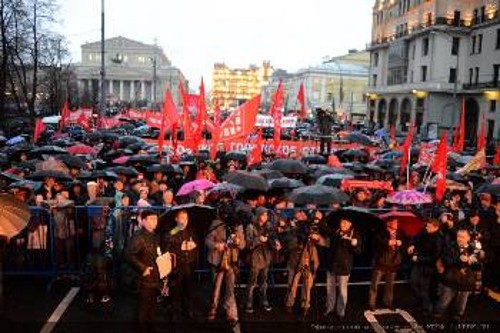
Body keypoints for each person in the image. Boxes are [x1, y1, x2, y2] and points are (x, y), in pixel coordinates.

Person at [205, 203, 246, 323]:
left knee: (230, 288)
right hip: (217, 260)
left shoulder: (238, 226)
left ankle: (230, 312)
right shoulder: (216, 224)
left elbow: (243, 245)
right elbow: (208, 240)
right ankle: (213, 309)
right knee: (216, 287)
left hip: (232, 260)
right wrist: (217, 245)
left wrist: (238, 242)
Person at [434, 229, 485, 321]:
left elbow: (479, 267)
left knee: (461, 303)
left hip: (467, 282)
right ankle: (438, 313)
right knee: (444, 301)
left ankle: (457, 316)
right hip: (451, 280)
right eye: (458, 236)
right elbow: (446, 260)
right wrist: (459, 259)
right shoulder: (450, 246)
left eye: (462, 237)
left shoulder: (475, 249)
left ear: (468, 238)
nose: (460, 239)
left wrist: (474, 261)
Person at [125, 210, 161, 330]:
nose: (154, 222)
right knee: (143, 307)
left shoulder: (155, 236)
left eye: (155, 219)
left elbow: (158, 253)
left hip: (155, 276)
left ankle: (150, 326)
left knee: (152, 305)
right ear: (144, 221)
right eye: (151, 219)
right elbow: (129, 255)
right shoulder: (138, 236)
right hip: (144, 278)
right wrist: (143, 268)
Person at [284, 209, 322, 318]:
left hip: (309, 259)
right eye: (298, 214)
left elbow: (322, 241)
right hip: (295, 260)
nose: (301, 215)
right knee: (292, 284)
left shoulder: (312, 226)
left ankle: (305, 305)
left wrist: (316, 237)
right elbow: (288, 243)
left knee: (307, 285)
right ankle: (289, 303)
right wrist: (297, 237)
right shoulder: (292, 226)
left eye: (303, 213)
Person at [163, 209, 198, 320]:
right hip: (176, 265)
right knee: (175, 289)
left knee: (189, 288)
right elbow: (167, 244)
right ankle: (173, 311)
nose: (184, 221)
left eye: (186, 218)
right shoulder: (174, 230)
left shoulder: (191, 230)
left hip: (189, 264)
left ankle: (188, 309)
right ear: (176, 219)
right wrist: (180, 247)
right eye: (182, 218)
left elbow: (196, 242)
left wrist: (194, 245)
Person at [245, 207, 281, 314]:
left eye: (266, 215)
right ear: (258, 215)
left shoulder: (269, 226)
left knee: (264, 281)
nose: (265, 217)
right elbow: (248, 244)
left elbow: (273, 237)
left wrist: (276, 243)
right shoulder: (251, 227)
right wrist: (258, 240)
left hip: (266, 257)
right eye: (263, 214)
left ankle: (263, 300)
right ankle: (249, 302)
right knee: (252, 282)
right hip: (255, 258)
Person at [323, 218, 361, 320]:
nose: (343, 224)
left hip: (344, 267)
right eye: (342, 221)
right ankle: (330, 308)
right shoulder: (335, 232)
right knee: (330, 289)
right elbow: (327, 245)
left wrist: (354, 244)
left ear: (350, 224)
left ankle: (341, 311)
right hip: (331, 265)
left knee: (342, 291)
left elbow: (358, 251)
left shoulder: (354, 234)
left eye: (346, 222)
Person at [368, 217, 407, 311]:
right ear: (388, 224)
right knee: (375, 284)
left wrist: (401, 243)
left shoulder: (400, 234)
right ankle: (372, 303)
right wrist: (387, 242)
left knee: (390, 285)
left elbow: (405, 246)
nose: (397, 224)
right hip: (381, 263)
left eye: (397, 222)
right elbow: (375, 245)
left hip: (393, 263)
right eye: (394, 223)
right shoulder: (380, 233)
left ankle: (388, 302)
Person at [408, 218, 444, 315]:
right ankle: (421, 303)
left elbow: (435, 257)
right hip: (418, 263)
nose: (426, 227)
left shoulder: (439, 239)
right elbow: (415, 238)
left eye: (429, 226)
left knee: (425, 288)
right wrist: (412, 245)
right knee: (413, 283)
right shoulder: (424, 231)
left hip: (429, 267)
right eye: (427, 225)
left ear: (436, 227)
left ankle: (427, 308)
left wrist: (419, 258)